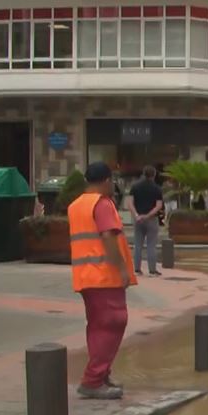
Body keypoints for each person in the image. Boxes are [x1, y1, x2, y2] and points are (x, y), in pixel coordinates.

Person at [68, 162, 137, 400]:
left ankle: (102, 373)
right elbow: (108, 236)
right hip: (105, 275)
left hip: (86, 275)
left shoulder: (76, 205)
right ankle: (93, 379)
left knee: (98, 325)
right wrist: (121, 270)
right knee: (114, 322)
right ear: (107, 180)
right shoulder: (102, 203)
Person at [127, 166, 164, 277]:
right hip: (151, 219)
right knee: (151, 245)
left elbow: (129, 203)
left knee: (138, 244)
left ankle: (137, 269)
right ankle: (152, 270)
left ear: (143, 174)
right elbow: (158, 206)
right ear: (154, 175)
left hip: (138, 219)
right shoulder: (157, 188)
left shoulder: (135, 187)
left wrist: (137, 215)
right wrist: (148, 215)